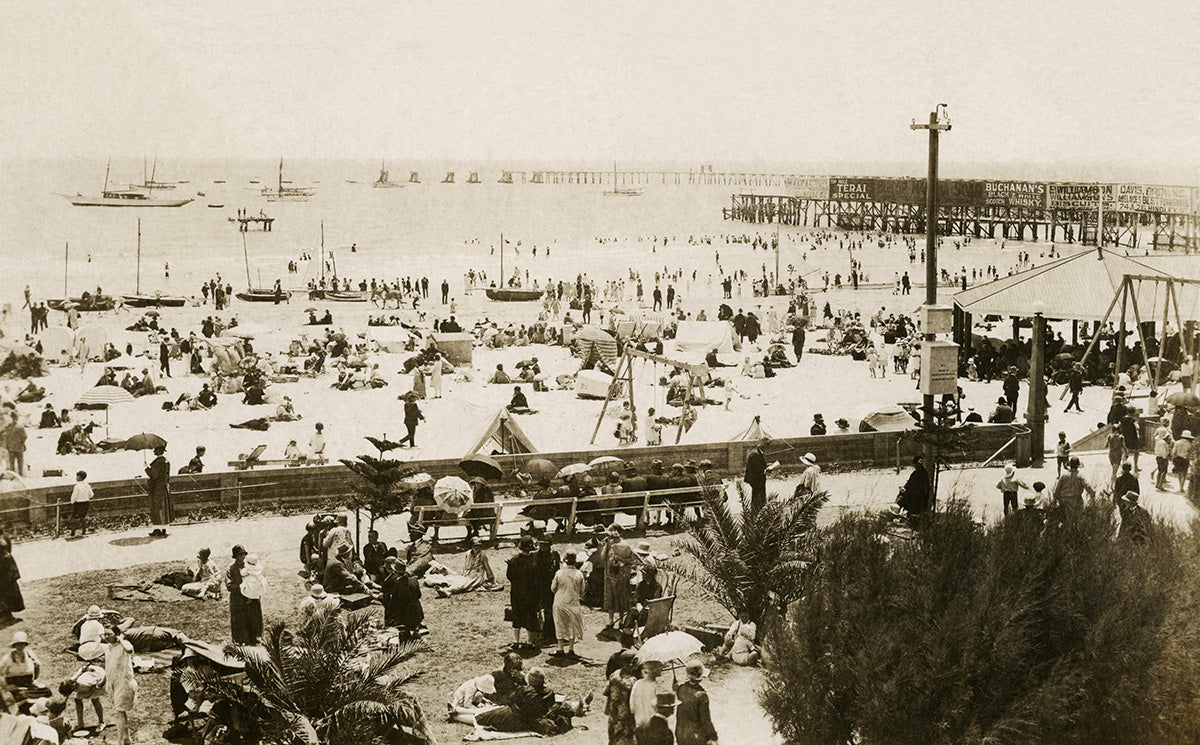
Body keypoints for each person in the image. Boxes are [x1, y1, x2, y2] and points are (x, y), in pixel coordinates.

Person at [103, 628, 136, 745]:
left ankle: (119, 742)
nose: (106, 636)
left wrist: (121, 639)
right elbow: (108, 667)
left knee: (118, 712)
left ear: (116, 634)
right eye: (105, 634)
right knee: (121, 712)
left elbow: (130, 649)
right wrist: (103, 681)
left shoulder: (124, 645)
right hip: (112, 683)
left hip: (124, 682)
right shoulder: (108, 648)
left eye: (109, 634)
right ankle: (127, 739)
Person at [507, 537, 541, 649]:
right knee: (530, 616)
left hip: (517, 593)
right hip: (530, 594)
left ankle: (516, 641)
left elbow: (509, 576)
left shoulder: (513, 561)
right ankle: (530, 642)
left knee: (517, 616)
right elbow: (537, 578)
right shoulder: (535, 561)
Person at [674, 660, 717, 745]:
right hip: (696, 736)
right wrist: (713, 736)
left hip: (681, 733)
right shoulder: (702, 695)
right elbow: (706, 719)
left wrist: (675, 687)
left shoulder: (681, 688)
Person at [551, 552, 585, 658]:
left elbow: (553, 588)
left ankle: (560, 648)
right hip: (573, 602)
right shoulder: (579, 574)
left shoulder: (559, 573)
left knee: (559, 624)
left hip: (560, 601)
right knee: (572, 625)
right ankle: (571, 648)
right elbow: (582, 590)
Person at [605, 526, 639, 629]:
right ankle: (612, 620)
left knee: (620, 597)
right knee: (612, 597)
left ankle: (620, 620)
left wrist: (620, 559)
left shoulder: (625, 546)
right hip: (612, 575)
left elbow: (632, 561)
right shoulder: (609, 544)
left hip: (619, 575)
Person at [604, 650, 640, 745]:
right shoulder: (632, 681)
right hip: (626, 717)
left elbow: (605, 691)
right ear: (632, 663)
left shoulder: (614, 674)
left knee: (614, 740)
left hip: (614, 715)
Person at [226, 545, 259, 644]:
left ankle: (253, 639)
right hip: (238, 600)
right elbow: (229, 585)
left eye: (243, 554)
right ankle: (239, 641)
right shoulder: (231, 569)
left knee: (252, 622)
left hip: (250, 599)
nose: (242, 557)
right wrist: (242, 588)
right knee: (238, 624)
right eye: (239, 555)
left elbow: (257, 580)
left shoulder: (249, 567)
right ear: (235, 556)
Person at [380, 558, 424, 632]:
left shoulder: (398, 585)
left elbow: (395, 603)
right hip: (417, 614)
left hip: (405, 617)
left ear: (395, 572)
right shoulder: (414, 580)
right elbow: (419, 595)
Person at [145, 445, 172, 537]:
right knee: (164, 508)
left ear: (159, 451)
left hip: (157, 488)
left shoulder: (157, 462)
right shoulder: (166, 461)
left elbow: (153, 475)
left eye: (155, 450)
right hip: (164, 487)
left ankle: (157, 529)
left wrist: (146, 468)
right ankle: (163, 528)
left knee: (156, 508)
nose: (153, 451)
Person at [630, 659, 664, 728]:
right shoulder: (656, 686)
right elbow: (660, 707)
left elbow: (632, 705)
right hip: (653, 723)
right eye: (659, 668)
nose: (661, 669)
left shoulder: (637, 683)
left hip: (639, 721)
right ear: (654, 670)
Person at [0, 539, 24, 625]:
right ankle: (5, 616)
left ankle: (7, 616)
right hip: (5, 571)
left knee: (9, 593)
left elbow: (7, 547)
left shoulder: (3, 540)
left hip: (6, 571)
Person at [743, 438, 768, 510]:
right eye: (766, 445)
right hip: (757, 480)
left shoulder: (758, 453)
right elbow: (757, 469)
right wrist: (766, 470)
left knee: (758, 496)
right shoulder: (755, 454)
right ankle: (757, 512)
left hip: (758, 479)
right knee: (758, 497)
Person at [68, 470, 93, 537]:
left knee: (74, 518)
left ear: (80, 477)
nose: (76, 478)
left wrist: (72, 502)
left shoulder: (77, 486)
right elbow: (91, 494)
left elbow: (74, 496)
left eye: (77, 476)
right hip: (86, 503)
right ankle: (84, 532)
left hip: (78, 504)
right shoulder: (87, 485)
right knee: (83, 518)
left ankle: (73, 533)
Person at [1153, 419, 1173, 491]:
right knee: (1164, 471)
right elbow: (1164, 452)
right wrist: (1165, 457)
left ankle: (1157, 483)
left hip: (1158, 457)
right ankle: (1160, 484)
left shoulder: (1158, 441)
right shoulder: (1163, 443)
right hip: (1163, 458)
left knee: (1159, 470)